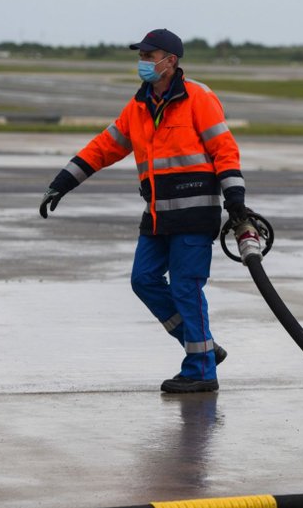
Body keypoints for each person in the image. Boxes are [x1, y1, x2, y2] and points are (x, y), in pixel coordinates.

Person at [39, 28, 251, 393]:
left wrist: (235, 201)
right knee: (144, 280)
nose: (143, 63)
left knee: (186, 287)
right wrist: (63, 182)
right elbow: (104, 147)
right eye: (141, 56)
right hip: (157, 215)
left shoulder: (198, 98)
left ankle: (201, 371)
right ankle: (201, 347)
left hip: (194, 214)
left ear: (171, 61)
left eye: (149, 56)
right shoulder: (138, 106)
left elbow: (224, 150)